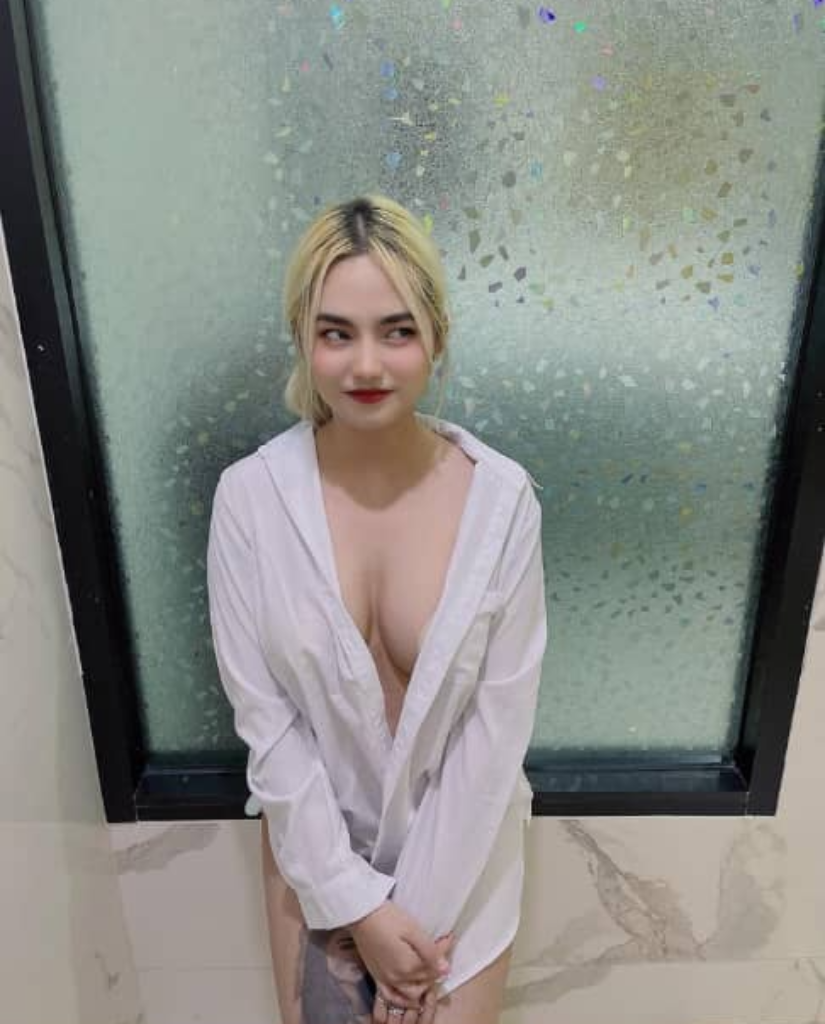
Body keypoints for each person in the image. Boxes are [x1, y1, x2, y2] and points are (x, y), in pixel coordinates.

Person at [206, 194, 547, 1023]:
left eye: (396, 331)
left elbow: (495, 731)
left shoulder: (502, 503)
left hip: (464, 850)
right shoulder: (249, 501)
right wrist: (356, 907)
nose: (366, 365)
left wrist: (409, 939)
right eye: (336, 333)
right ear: (302, 338)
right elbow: (268, 726)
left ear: (437, 336)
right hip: (314, 851)